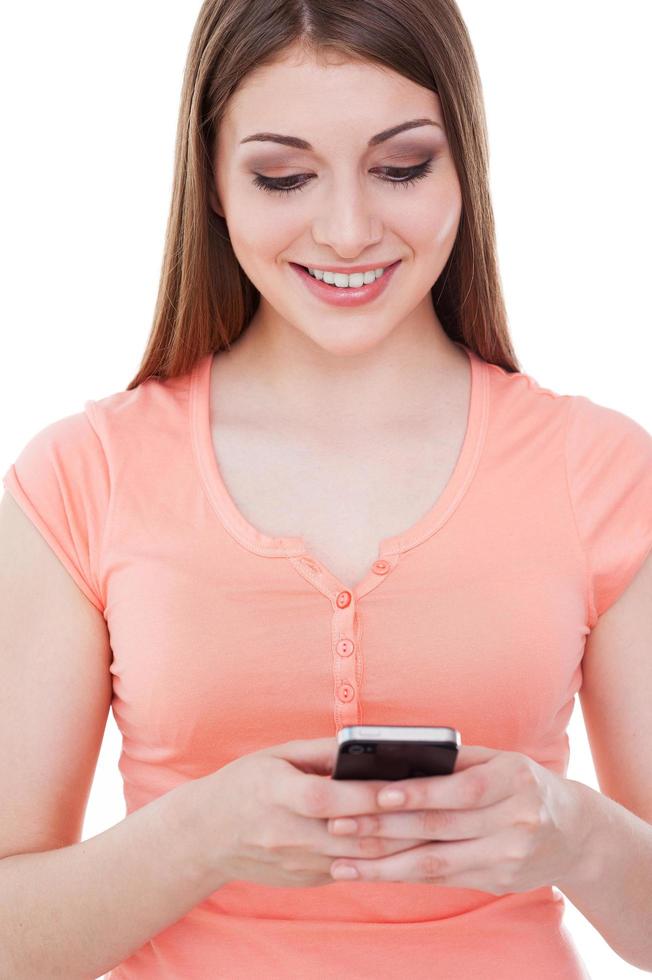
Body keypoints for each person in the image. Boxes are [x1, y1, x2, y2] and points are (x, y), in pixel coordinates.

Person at [1, 1, 651, 978]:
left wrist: (576, 833)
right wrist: (201, 834)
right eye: (282, 175)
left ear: (464, 166)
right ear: (213, 180)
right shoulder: (81, 474)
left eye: (401, 166)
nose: (348, 231)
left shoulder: (599, 467)